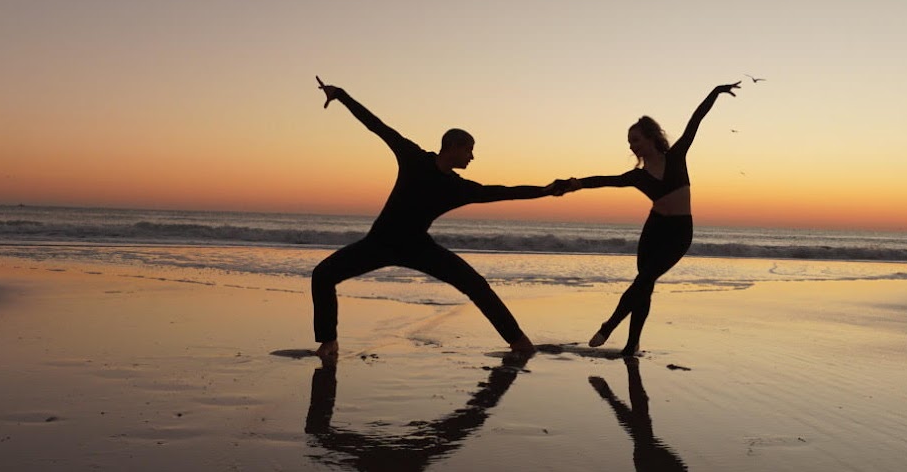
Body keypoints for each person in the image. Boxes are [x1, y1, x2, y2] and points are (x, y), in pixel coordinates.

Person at [311, 79, 569, 363]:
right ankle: (329, 342)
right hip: (379, 243)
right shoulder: (413, 158)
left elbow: (502, 192)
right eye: (469, 149)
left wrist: (544, 190)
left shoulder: (458, 188)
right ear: (454, 147)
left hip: (418, 248)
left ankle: (519, 342)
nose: (472, 156)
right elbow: (376, 125)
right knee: (323, 275)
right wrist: (341, 95)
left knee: (476, 285)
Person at [561, 82, 739, 355]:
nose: (633, 146)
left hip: (679, 234)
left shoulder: (676, 156)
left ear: (651, 137)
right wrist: (577, 183)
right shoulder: (638, 176)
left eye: (636, 140)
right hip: (654, 230)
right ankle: (632, 345)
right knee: (645, 285)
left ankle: (609, 326)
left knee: (643, 281)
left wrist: (716, 91)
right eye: (630, 143)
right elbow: (605, 180)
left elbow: (696, 120)